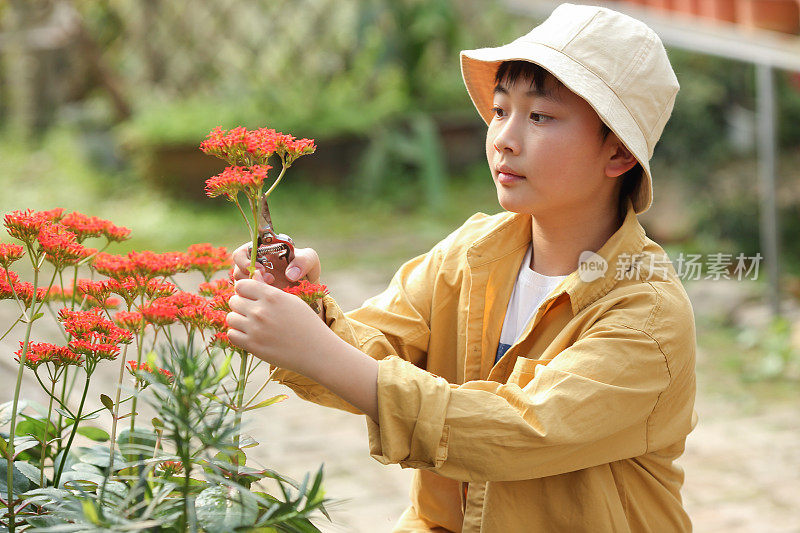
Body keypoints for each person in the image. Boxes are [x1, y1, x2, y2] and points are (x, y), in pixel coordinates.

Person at [227, 3, 697, 531]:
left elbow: (516, 433)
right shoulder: (472, 252)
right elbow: (374, 349)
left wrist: (318, 349)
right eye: (500, 111)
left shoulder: (646, 314)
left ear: (617, 154)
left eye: (539, 116)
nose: (504, 138)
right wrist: (299, 304)